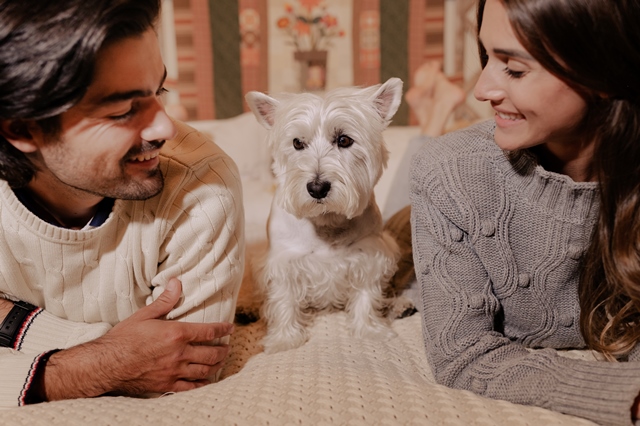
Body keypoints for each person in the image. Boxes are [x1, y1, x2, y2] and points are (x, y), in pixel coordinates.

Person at [0, 0, 244, 406]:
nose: (165, 125)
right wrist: (100, 363)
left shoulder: (204, 186)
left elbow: (180, 369)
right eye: (122, 110)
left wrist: (8, 322)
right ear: (22, 128)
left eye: (159, 90)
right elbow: (139, 361)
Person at [408, 0, 640, 424]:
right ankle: (431, 116)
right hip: (428, 218)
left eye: (513, 69)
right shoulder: (449, 172)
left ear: (603, 71)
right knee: (375, 229)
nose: (482, 89)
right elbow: (464, 353)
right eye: (486, 56)